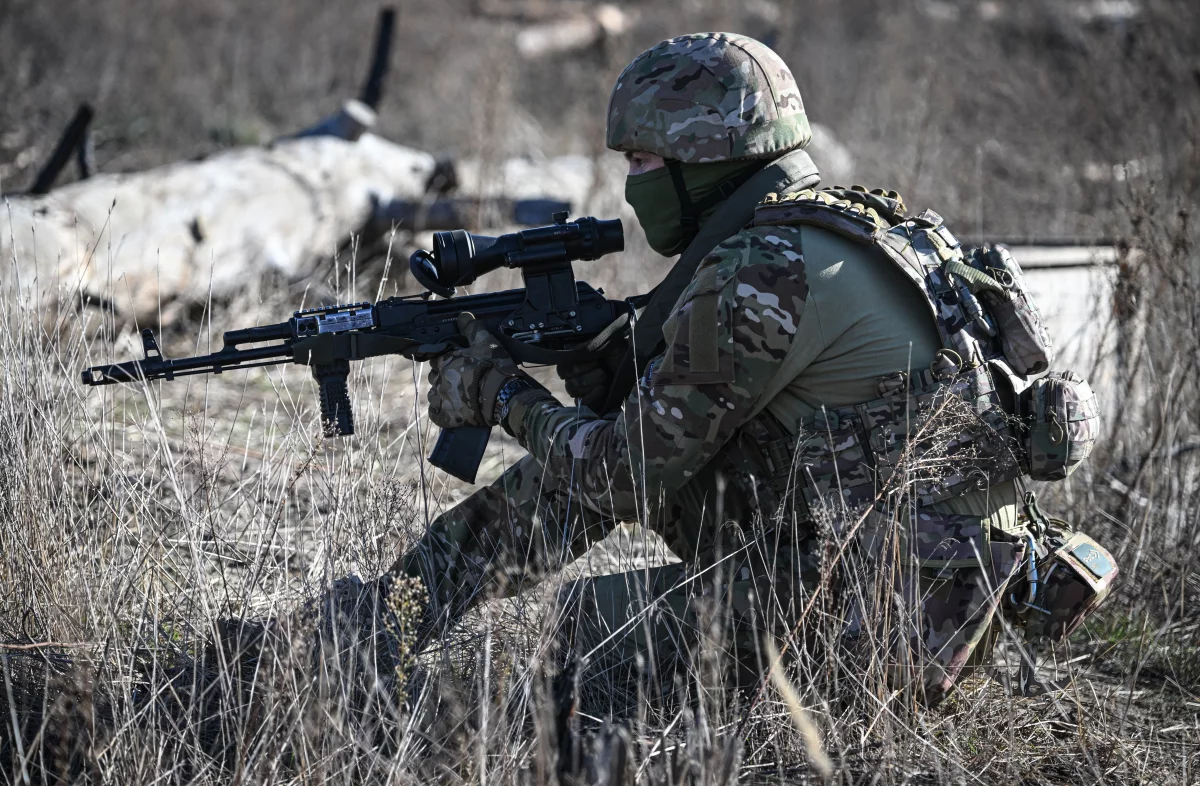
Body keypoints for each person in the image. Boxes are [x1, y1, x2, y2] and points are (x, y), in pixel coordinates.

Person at [391, 32, 1115, 706]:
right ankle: (382, 621)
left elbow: (621, 474)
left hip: (881, 631)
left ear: (703, 161)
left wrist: (498, 392)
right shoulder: (854, 226)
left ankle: (375, 631)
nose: (630, 181)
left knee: (583, 645)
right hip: (938, 592)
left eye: (641, 161)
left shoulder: (764, 272)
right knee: (589, 461)